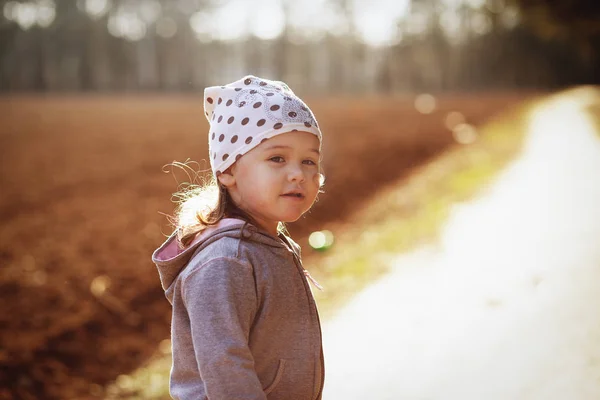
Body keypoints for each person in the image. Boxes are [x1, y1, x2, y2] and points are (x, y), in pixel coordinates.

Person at [152, 75, 325, 400]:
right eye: (277, 158)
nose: (298, 173)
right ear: (227, 170)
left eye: (309, 161)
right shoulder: (226, 261)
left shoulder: (271, 244)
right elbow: (226, 369)